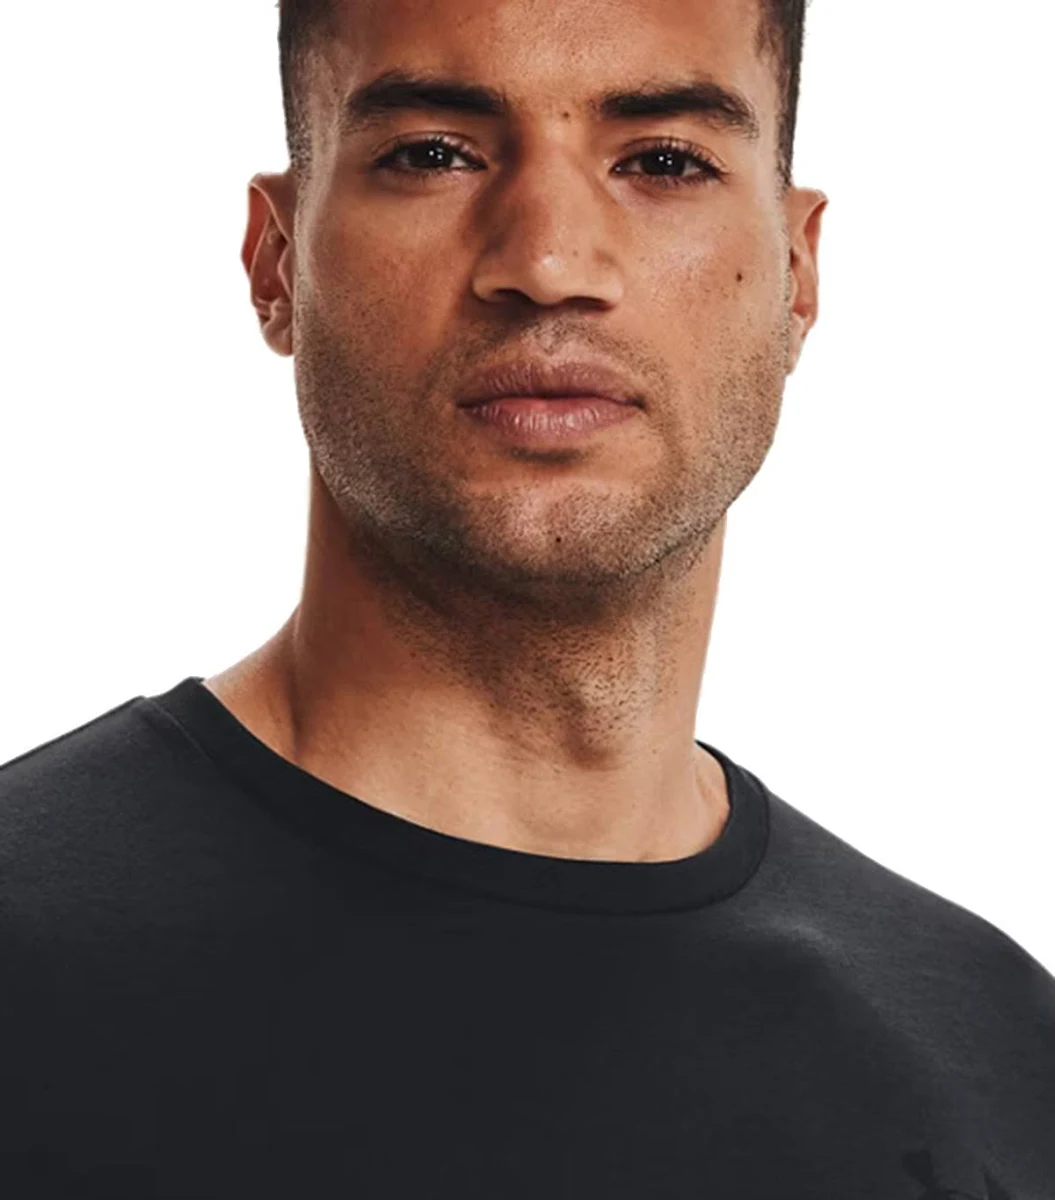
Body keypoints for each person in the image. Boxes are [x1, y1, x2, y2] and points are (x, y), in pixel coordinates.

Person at [1, 0, 1052, 1195]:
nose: (548, 263)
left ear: (796, 277)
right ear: (276, 260)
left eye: (663, 161)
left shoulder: (999, 1062)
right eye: (432, 154)